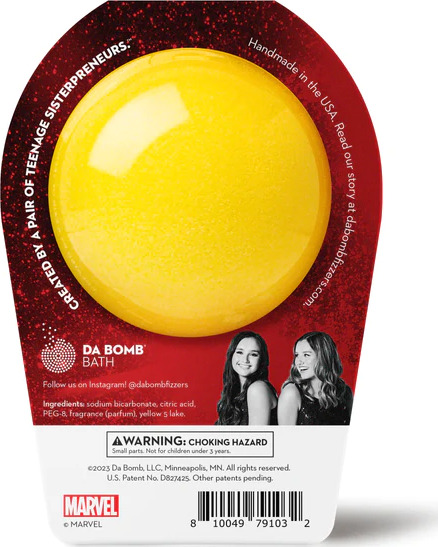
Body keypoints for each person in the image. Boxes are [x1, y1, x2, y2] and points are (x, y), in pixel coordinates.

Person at [278, 332, 353, 425]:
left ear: (324, 357)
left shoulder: (345, 392)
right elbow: (285, 434)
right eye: (297, 355)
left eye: (306, 355)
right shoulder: (291, 393)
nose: (299, 362)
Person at [216, 331, 277, 425]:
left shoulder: (257, 389)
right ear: (231, 355)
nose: (245, 360)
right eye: (240, 352)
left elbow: (259, 435)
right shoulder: (234, 392)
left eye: (253, 354)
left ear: (261, 360)